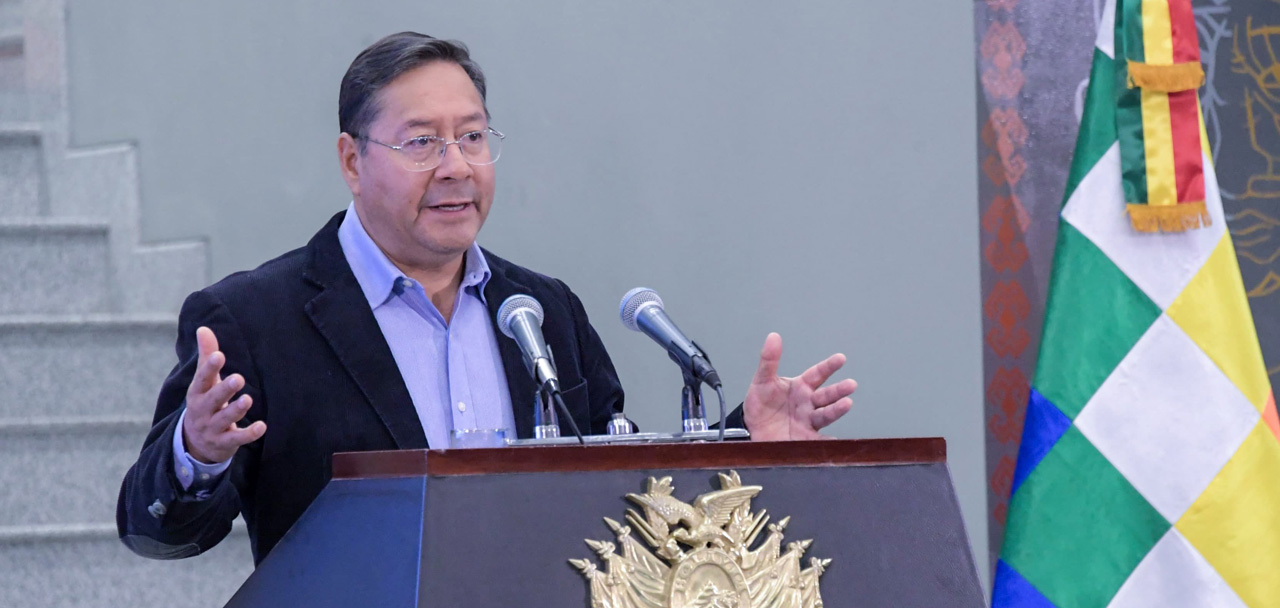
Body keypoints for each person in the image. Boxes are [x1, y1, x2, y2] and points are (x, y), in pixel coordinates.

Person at [117, 32, 857, 565]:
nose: (456, 167)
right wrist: (197, 452)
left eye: (472, 137)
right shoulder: (253, 319)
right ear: (351, 159)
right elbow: (153, 530)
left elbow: (633, 498)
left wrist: (741, 441)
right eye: (422, 143)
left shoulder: (541, 312)